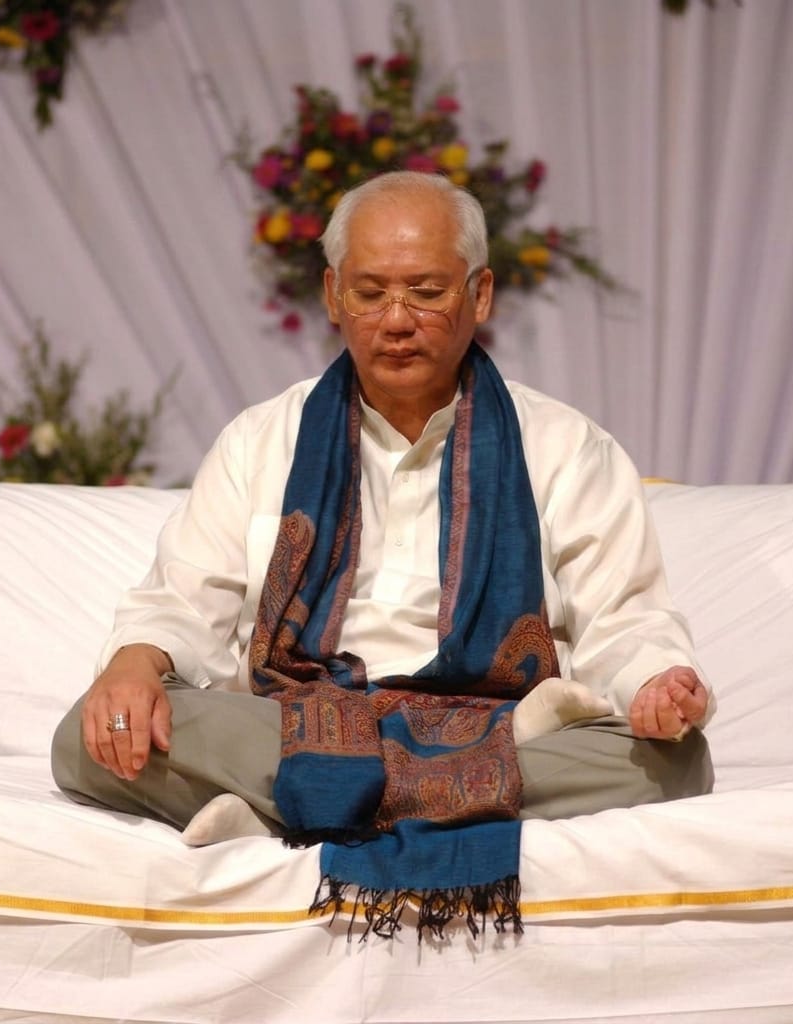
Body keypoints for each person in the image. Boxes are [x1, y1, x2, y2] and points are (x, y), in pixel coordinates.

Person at [52, 170, 713, 939]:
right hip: (300, 723)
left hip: (499, 725)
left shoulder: (566, 447)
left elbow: (624, 618)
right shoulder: (260, 440)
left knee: (676, 761)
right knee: (85, 741)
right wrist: (135, 663)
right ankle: (391, 793)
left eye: (426, 292)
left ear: (480, 294)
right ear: (334, 297)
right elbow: (182, 600)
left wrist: (657, 682)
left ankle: (291, 810)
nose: (396, 320)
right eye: (370, 293)